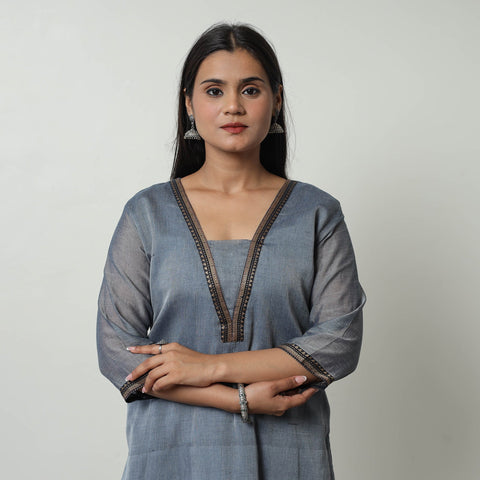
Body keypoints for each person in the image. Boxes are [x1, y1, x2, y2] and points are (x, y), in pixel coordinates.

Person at [97, 22, 365, 480]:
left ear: (276, 100)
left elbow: (338, 343)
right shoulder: (148, 213)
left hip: (289, 453)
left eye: (251, 90)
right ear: (189, 103)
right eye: (214, 90)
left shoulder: (317, 213)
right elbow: (117, 351)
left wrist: (208, 367)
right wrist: (236, 398)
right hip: (172, 455)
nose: (233, 106)